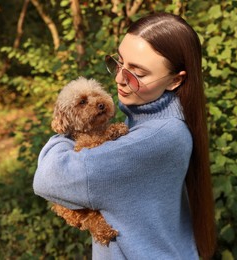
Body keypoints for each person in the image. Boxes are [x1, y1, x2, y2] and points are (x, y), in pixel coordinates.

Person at [33, 12, 216, 259]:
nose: (119, 78)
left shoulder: (155, 140)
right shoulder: (143, 119)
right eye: (119, 62)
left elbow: (48, 178)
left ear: (175, 80)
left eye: (137, 73)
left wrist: (67, 133)